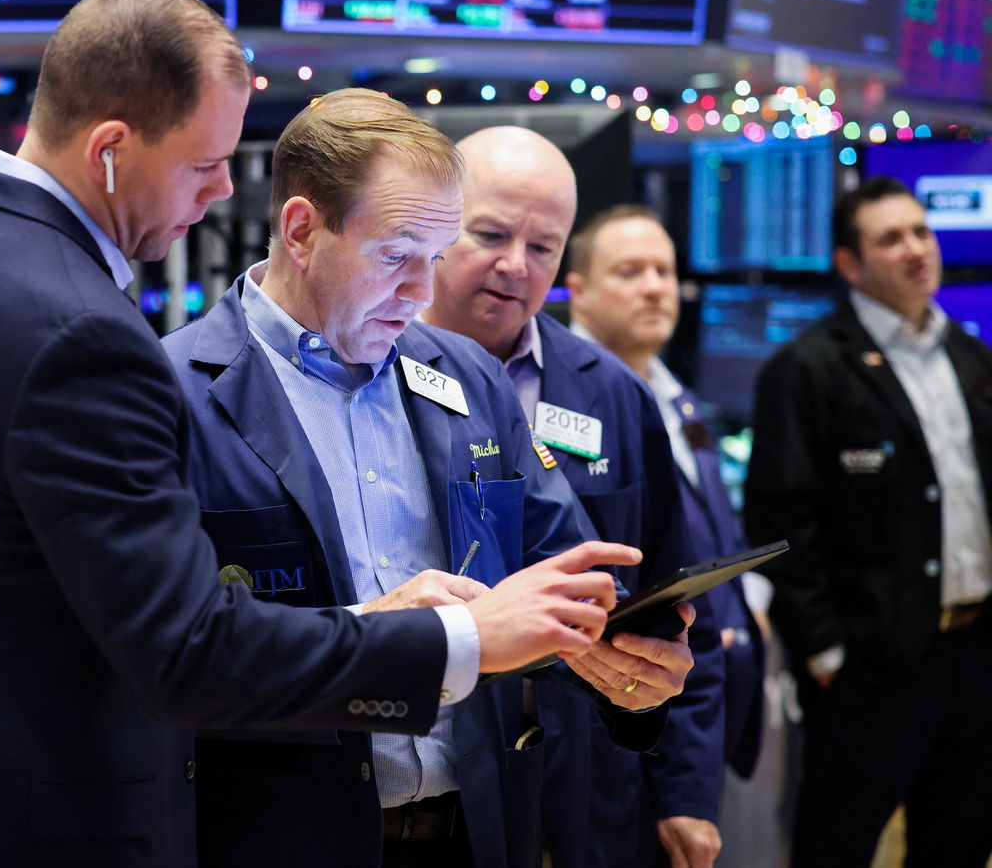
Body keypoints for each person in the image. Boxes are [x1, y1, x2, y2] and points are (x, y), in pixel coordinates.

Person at [0, 0, 657, 868]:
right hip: (51, 820)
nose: (222, 191)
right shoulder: (95, 337)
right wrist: (451, 637)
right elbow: (186, 646)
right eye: (204, 163)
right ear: (109, 150)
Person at [163, 90, 695, 868]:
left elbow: (557, 570)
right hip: (281, 836)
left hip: (472, 831)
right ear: (302, 230)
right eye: (396, 254)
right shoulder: (174, 390)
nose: (420, 292)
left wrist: (625, 656)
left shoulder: (467, 375)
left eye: (435, 257)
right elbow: (168, 656)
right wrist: (386, 629)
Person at [422, 126, 727, 868]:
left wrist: (686, 790)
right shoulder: (369, 371)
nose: (515, 265)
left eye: (543, 247)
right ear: (436, 225)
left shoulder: (613, 392)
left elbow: (678, 606)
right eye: (490, 234)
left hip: (585, 775)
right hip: (430, 772)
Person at [745, 176, 992, 867]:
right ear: (849, 264)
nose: (916, 249)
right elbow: (779, 521)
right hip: (869, 668)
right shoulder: (807, 368)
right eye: (892, 238)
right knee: (837, 846)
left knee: (960, 844)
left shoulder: (970, 356)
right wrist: (825, 653)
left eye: (921, 231)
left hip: (975, 654)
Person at [566, 205, 767, 851]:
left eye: (664, 271)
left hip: (705, 712)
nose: (655, 287)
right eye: (630, 272)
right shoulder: (554, 402)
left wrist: (748, 602)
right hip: (619, 736)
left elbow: (712, 537)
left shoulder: (678, 398)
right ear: (579, 289)